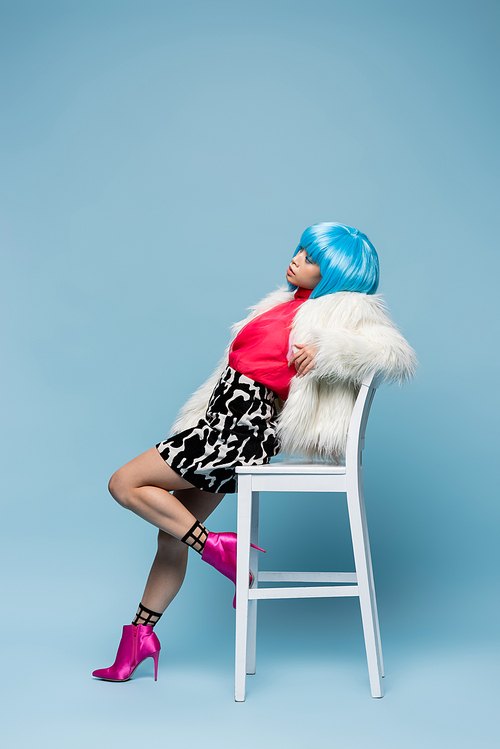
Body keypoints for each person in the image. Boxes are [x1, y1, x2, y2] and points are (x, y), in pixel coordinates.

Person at [92, 222, 416, 682]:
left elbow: (392, 354)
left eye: (311, 256)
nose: (297, 259)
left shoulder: (342, 312)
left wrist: (329, 349)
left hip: (238, 432)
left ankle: (224, 552)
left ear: (336, 272)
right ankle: (139, 640)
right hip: (219, 427)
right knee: (172, 534)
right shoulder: (287, 304)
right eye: (300, 249)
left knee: (123, 483)